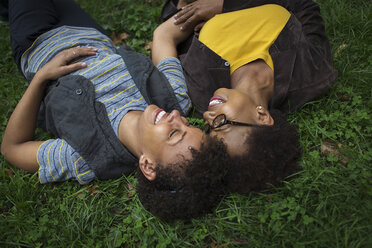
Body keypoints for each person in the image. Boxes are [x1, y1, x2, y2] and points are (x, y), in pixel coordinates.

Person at [0, 0, 229, 221]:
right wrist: (221, 5)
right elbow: (164, 35)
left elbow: (12, 148)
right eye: (188, 125)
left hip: (38, 39)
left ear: (148, 165)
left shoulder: (86, 156)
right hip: (86, 28)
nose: (177, 118)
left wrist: (40, 78)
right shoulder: (175, 98)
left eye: (174, 134)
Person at [159, 0, 338, 193]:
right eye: (221, 124)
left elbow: (170, 30)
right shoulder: (313, 69)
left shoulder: (199, 89)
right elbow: (303, 5)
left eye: (209, 128)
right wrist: (226, 5)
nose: (207, 117)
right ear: (262, 116)